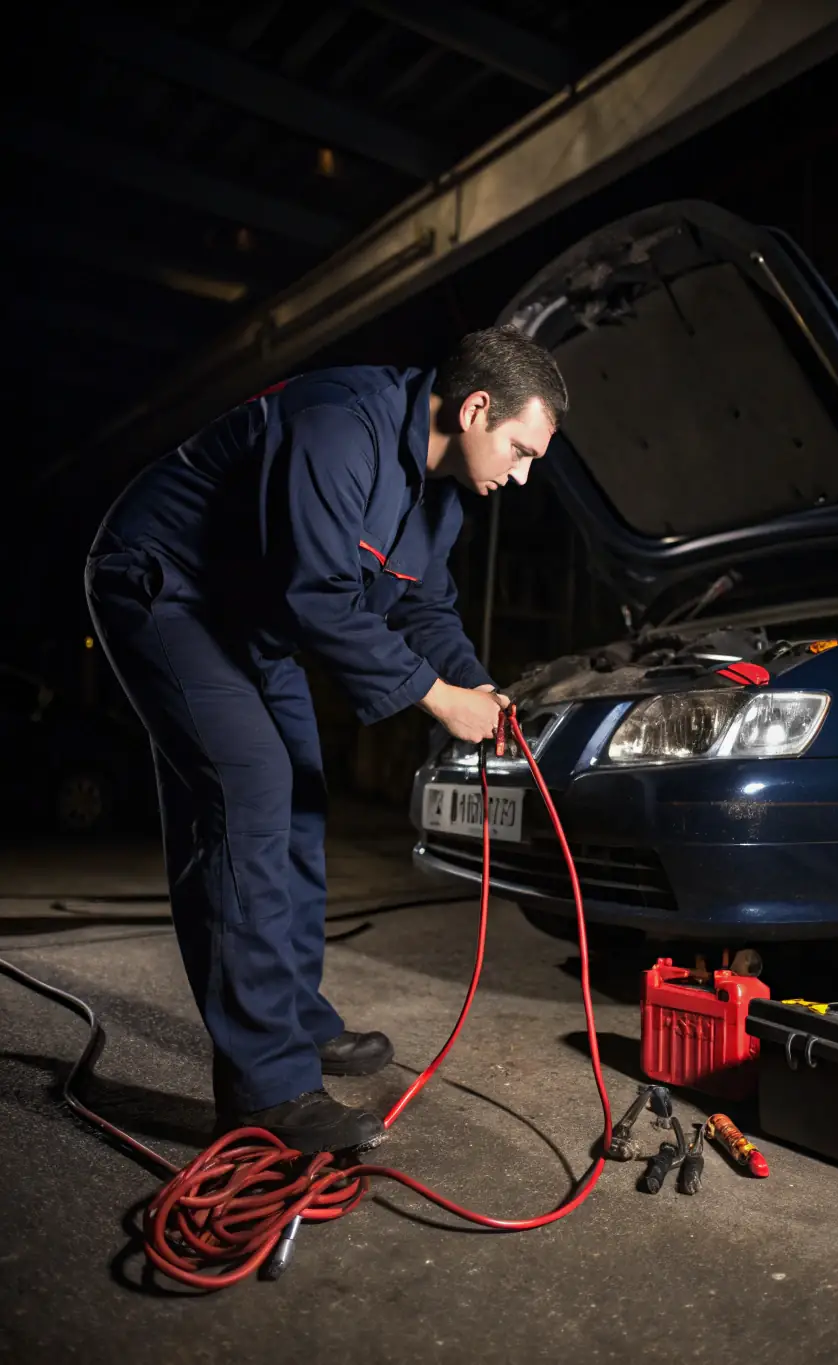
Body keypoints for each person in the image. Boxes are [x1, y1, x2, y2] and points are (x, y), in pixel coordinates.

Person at [84, 326, 567, 1153]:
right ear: (477, 407)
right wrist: (440, 700)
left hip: (252, 614)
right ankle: (265, 1090)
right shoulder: (340, 425)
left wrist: (476, 682)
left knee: (300, 793)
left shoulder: (442, 489)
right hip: (168, 584)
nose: (521, 474)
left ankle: (294, 1016)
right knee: (248, 798)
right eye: (521, 449)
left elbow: (421, 605)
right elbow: (319, 596)